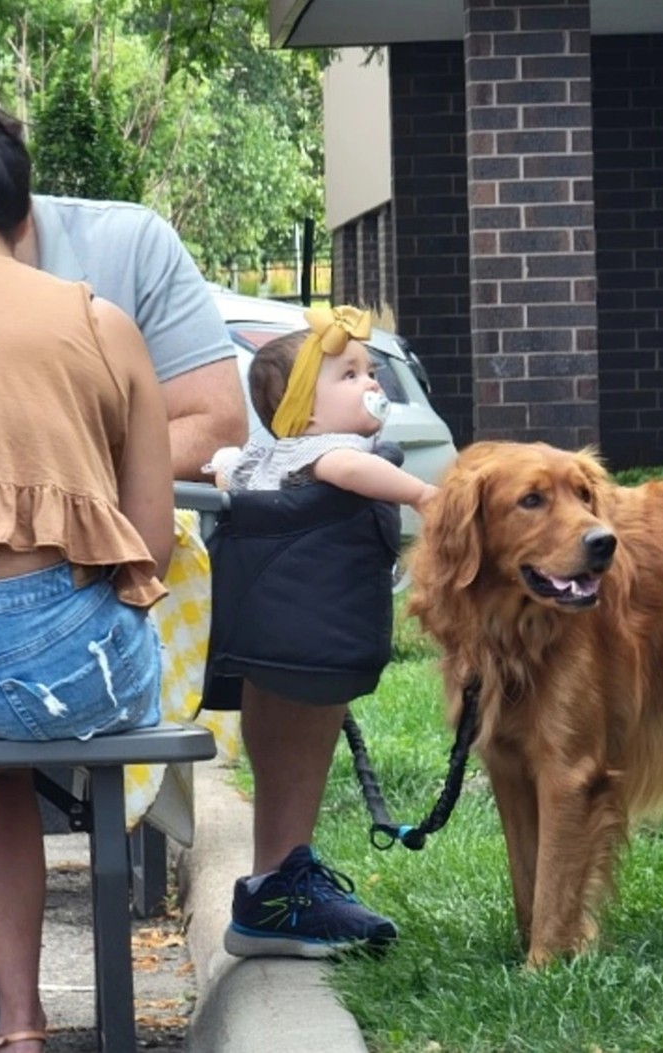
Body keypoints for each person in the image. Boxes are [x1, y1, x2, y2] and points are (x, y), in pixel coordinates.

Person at [0, 55, 246, 1053]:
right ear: (19, 208)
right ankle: (20, 1022)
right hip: (56, 682)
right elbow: (149, 541)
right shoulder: (96, 320)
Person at [204, 305, 437, 958]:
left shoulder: (267, 454)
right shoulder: (331, 452)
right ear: (304, 410)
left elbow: (227, 473)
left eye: (370, 371)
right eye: (350, 374)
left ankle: (276, 886)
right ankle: (279, 892)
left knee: (281, 714)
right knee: (296, 709)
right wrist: (423, 494)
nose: (372, 384)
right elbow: (353, 474)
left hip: (265, 621)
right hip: (310, 622)